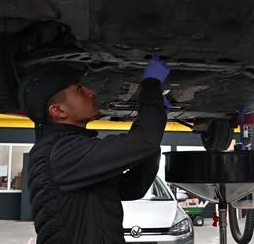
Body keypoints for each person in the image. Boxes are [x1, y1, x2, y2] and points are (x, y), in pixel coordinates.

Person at [18, 57, 171, 244]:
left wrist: (151, 134)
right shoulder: (61, 153)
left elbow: (132, 188)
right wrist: (151, 86)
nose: (91, 92)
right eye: (80, 90)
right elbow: (143, 141)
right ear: (58, 111)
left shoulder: (64, 150)